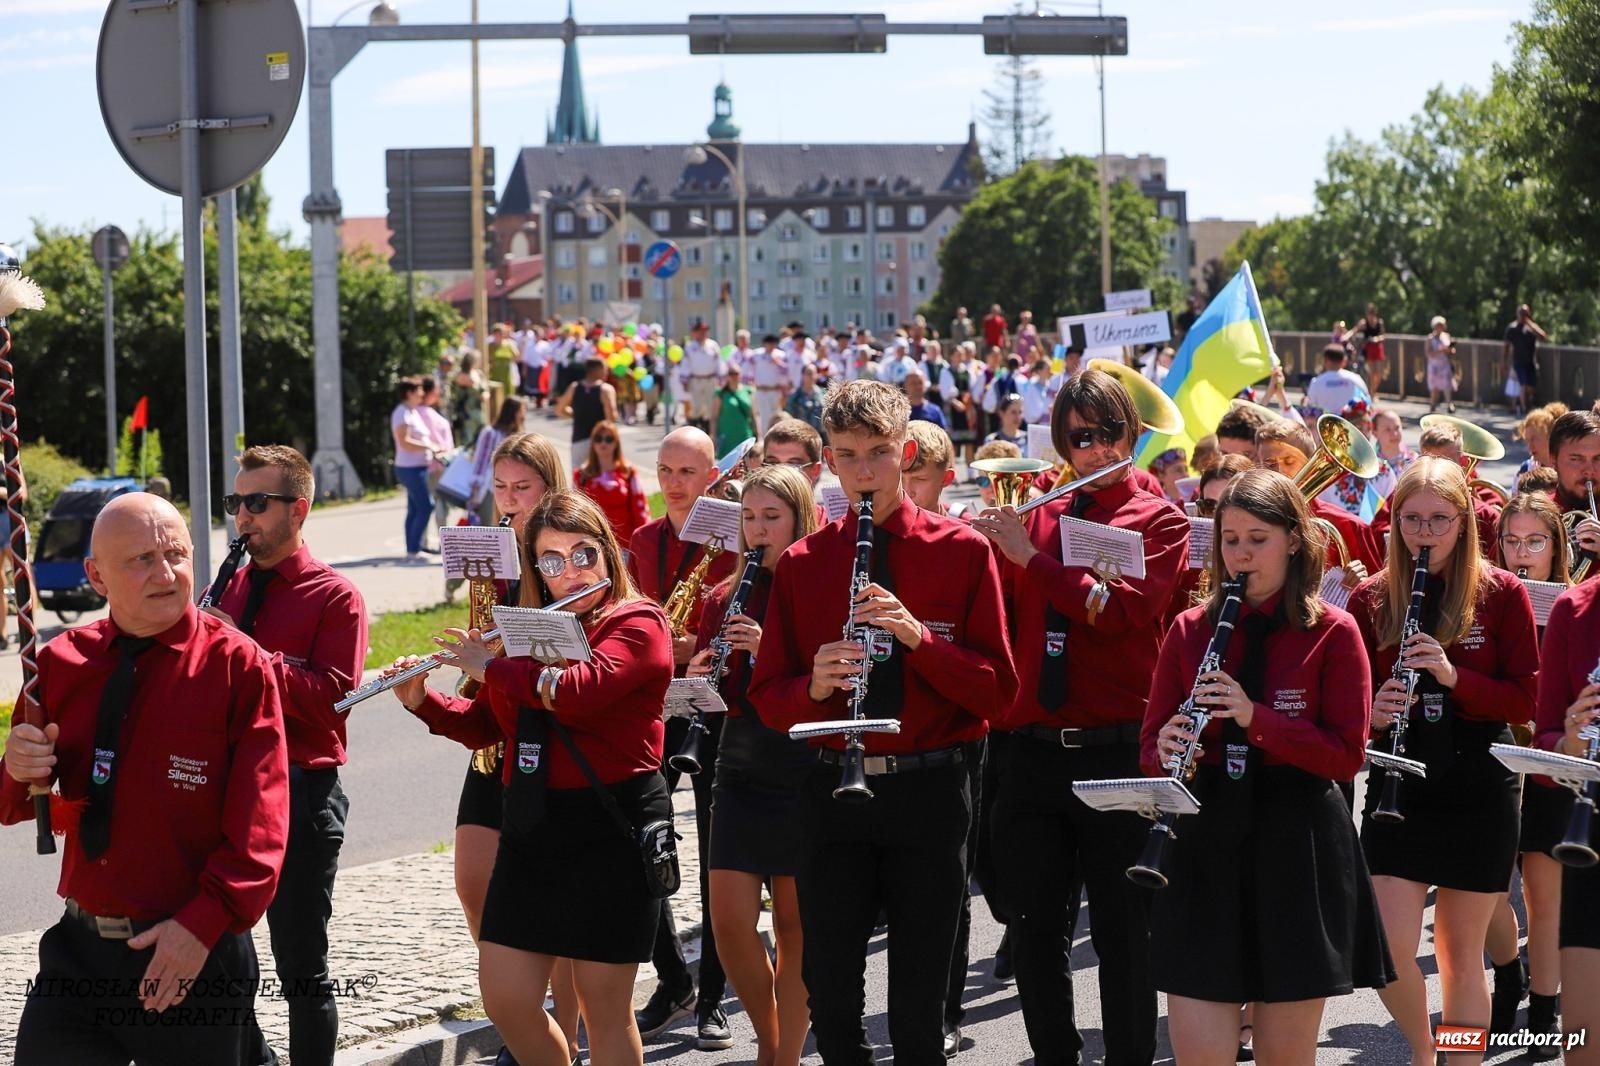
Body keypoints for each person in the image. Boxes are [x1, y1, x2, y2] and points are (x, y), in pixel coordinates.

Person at [750, 378, 1017, 1064]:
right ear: (828, 461)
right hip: (830, 790)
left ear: (905, 451)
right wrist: (813, 683)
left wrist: (918, 639)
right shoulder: (806, 562)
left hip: (928, 789)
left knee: (919, 1010)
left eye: (877, 453)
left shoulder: (961, 551)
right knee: (831, 1001)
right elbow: (767, 696)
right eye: (845, 455)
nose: (862, 473)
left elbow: (999, 692)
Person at [1, 492, 289, 1066]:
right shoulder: (58, 664)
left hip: (191, 952)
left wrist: (200, 928)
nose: (166, 573)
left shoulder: (237, 666)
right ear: (96, 575)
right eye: (141, 559)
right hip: (79, 955)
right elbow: (14, 804)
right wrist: (15, 769)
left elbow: (262, 830)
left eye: (176, 553)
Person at [391, 491, 673, 1066]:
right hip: (534, 826)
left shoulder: (638, 623)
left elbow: (575, 693)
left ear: (608, 553)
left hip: (612, 828)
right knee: (507, 998)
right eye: (549, 562)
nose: (569, 573)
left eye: (583, 554)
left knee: (605, 1009)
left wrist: (491, 666)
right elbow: (492, 725)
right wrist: (423, 701)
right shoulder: (527, 633)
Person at [969, 368, 1189, 1066]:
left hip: (1115, 753)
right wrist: (984, 545)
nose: (1092, 451)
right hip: (1030, 751)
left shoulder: (1159, 519)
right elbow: (995, 608)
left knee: (1124, 937)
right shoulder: (1036, 508)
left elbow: (1122, 614)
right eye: (1077, 438)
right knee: (1034, 934)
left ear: (1131, 434)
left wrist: (1031, 559)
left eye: (1106, 435)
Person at [1143, 469, 1392, 1064]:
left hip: (1296, 840)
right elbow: (1150, 743)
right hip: (1205, 840)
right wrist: (1172, 747)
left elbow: (1345, 755)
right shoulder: (1189, 629)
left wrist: (1255, 717)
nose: (1241, 554)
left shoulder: (1334, 632)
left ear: (1294, 541)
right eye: (1230, 539)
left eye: (1258, 539)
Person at [1353, 457, 1539, 1066]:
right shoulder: (1372, 597)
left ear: (1463, 522)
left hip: (1477, 786)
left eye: (1438, 519)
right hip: (1397, 786)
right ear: (1394, 520)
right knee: (1385, 951)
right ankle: (1426, 1050)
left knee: (1461, 955)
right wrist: (1374, 711)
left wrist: (1455, 677)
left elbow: (1524, 700)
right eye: (1411, 519)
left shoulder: (1501, 593)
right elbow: (1345, 710)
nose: (1424, 533)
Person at [204, 446, 367, 1066]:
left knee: (301, 964)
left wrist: (241, 647)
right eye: (235, 503)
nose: (242, 517)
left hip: (302, 792)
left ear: (297, 510)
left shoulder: (335, 596)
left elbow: (333, 698)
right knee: (223, 954)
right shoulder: (230, 586)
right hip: (229, 791)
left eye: (256, 503)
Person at [435, 432, 580, 1066]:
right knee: (472, 880)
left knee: (556, 899)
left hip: (547, 734)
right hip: (495, 731)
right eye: (501, 488)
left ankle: (562, 1030)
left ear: (551, 489)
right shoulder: (491, 553)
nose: (511, 500)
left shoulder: (569, 551)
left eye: (524, 488)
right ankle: (519, 1001)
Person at [687, 465, 818, 1066]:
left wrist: (768, 648)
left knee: (794, 927)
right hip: (738, 765)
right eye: (750, 518)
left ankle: (781, 1054)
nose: (759, 529)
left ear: (800, 519)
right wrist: (692, 681)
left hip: (801, 765)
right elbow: (715, 699)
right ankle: (769, 1036)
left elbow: (830, 679)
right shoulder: (721, 596)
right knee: (731, 922)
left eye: (773, 517)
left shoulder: (818, 587)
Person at [627, 426, 738, 1048]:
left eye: (687, 471)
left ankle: (715, 997)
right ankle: (675, 977)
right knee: (641, 842)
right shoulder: (644, 539)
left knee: (717, 859)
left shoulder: (733, 533)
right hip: (658, 705)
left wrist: (706, 645)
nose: (673, 483)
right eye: (665, 470)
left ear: (712, 477)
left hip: (721, 710)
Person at [1486, 492, 1570, 1048]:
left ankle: (1543, 1010)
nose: (1522, 552)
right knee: (1486, 889)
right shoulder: (1487, 598)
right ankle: (1508, 971)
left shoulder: (1573, 602)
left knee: (1542, 895)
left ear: (1554, 547)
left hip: (1544, 760)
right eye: (1511, 541)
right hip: (1490, 756)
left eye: (1534, 542)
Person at [1532, 576, 1600, 1066]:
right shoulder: (1574, 610)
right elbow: (1545, 750)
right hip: (1592, 836)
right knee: (1585, 1046)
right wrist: (1571, 743)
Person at [1254, 419, 1383, 580]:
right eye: (1269, 463)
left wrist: (1361, 585)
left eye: (1289, 461)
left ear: (1310, 461)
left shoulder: (1350, 527)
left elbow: (1380, 596)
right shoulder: (1250, 521)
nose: (1279, 471)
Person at [573, 418, 650, 551]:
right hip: (593, 548)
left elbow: (641, 512)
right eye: (598, 438)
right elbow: (576, 514)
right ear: (593, 443)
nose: (603, 443)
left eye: (608, 439)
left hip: (625, 547)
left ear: (616, 444)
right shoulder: (581, 475)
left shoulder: (628, 473)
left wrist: (645, 542)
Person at [392, 376, 441, 562]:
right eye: (418, 390)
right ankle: (413, 549)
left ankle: (412, 549)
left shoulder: (411, 412)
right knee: (425, 505)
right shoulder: (402, 413)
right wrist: (429, 447)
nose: (422, 393)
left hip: (418, 466)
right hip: (409, 468)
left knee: (414, 508)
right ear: (409, 393)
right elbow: (405, 442)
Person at [1548, 409, 1600, 580]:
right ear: (1553, 461)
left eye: (1598, 458)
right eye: (1576, 459)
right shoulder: (1533, 515)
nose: (1589, 471)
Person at [467, 397, 528, 528]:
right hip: (489, 488)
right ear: (513, 412)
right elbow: (480, 461)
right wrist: (475, 487)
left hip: (512, 490)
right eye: (521, 411)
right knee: (488, 527)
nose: (524, 415)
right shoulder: (491, 433)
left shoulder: (518, 435)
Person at [554, 357, 620, 471]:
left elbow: (559, 410)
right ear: (598, 370)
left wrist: (576, 415)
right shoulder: (605, 389)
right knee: (602, 478)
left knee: (579, 480)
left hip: (578, 440)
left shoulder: (574, 387)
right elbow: (611, 417)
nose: (606, 372)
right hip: (601, 441)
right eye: (605, 369)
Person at [903, 420, 957, 515]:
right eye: (899, 479)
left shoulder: (964, 528)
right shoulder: (872, 526)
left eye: (920, 479)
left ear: (946, 478)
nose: (906, 491)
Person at [681, 320, 724, 432]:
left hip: (711, 379)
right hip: (696, 379)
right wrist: (684, 381)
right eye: (700, 331)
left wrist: (721, 378)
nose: (703, 334)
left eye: (705, 331)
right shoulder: (690, 347)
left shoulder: (712, 345)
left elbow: (719, 362)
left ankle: (709, 430)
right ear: (694, 333)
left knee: (711, 407)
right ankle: (695, 429)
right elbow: (685, 364)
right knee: (697, 406)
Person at [1305, 343, 1369, 416]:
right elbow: (1367, 402)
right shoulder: (1356, 379)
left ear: (1325, 360)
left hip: (1326, 425)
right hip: (1350, 424)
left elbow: (1311, 406)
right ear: (1344, 360)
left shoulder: (1316, 382)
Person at [1504, 303, 1548, 404]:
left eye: (1525, 313)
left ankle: (1523, 403)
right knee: (1523, 383)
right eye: (1521, 313)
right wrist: (1504, 362)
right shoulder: (1512, 328)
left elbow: (1543, 337)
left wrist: (1530, 324)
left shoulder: (1532, 328)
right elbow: (1506, 346)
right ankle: (1523, 408)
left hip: (1530, 362)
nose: (1523, 316)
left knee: (1530, 386)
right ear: (1517, 314)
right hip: (1518, 362)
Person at [712, 363, 759, 458]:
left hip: (744, 434)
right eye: (731, 373)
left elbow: (753, 414)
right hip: (727, 437)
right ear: (727, 376)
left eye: (736, 373)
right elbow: (714, 417)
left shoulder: (748, 391)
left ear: (740, 375)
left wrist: (758, 434)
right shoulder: (721, 393)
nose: (734, 376)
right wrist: (713, 435)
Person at [1344, 303, 1387, 397]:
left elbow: (1383, 335)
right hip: (1369, 348)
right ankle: (1371, 394)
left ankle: (1373, 391)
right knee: (1372, 373)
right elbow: (1354, 330)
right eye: (1368, 313)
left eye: (1371, 313)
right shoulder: (1364, 323)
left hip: (1378, 348)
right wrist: (1346, 336)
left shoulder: (1379, 322)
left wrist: (1377, 339)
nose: (1370, 315)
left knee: (1379, 373)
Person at [1426, 316, 1459, 413]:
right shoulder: (1430, 338)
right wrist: (1440, 350)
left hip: (1445, 364)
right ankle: (1433, 404)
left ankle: (1449, 404)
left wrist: (1449, 350)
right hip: (1434, 365)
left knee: (1447, 385)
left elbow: (1451, 350)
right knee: (1434, 387)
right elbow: (1428, 353)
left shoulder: (1446, 336)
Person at [784, 362, 826, 434]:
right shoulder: (794, 396)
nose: (811, 376)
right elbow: (788, 416)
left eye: (814, 373)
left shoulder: (823, 394)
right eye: (809, 373)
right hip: (801, 433)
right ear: (802, 375)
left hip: (821, 434)